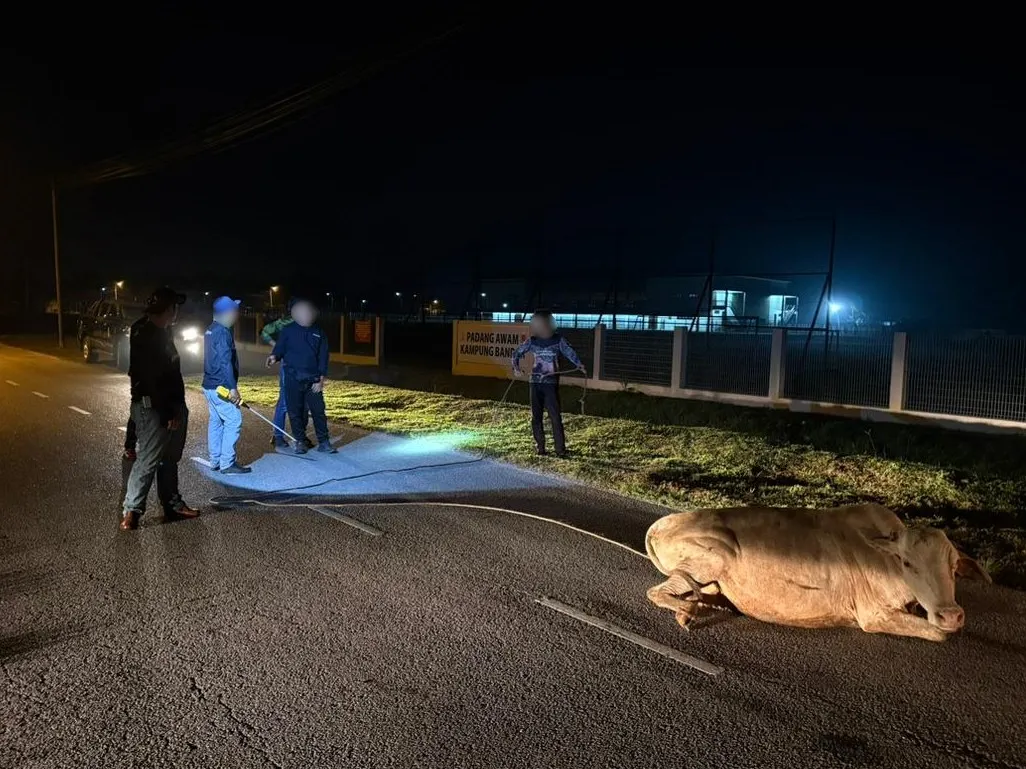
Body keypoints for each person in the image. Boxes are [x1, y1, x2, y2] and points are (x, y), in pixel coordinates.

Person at [120, 287, 200, 530]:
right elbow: (151, 378)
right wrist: (169, 413)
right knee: (149, 459)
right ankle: (132, 511)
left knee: (169, 459)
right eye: (174, 307)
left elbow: (171, 373)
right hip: (154, 408)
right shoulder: (146, 333)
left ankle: (172, 504)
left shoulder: (161, 330)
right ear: (167, 309)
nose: (177, 313)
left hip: (171, 405)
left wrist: (177, 407)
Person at [511, 310, 586, 457]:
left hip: (550, 384)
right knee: (536, 416)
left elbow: (570, 352)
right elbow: (516, 354)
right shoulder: (532, 341)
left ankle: (560, 450)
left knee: (555, 416)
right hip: (535, 382)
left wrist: (579, 364)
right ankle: (541, 448)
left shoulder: (558, 340)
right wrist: (516, 368)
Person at [266, 299, 336, 455]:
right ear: (295, 315)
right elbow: (279, 349)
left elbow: (323, 357)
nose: (306, 316)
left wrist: (321, 379)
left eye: (308, 312)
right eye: (302, 313)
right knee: (295, 411)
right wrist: (273, 357)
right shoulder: (288, 331)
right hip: (292, 378)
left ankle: (324, 442)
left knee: (318, 411)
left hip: (313, 380)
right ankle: (300, 441)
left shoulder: (319, 333)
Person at [202, 296, 251, 474]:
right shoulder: (222, 331)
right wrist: (232, 387)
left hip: (209, 385)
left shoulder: (210, 329)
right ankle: (227, 463)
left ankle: (215, 460)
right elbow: (225, 362)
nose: (236, 314)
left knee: (216, 421)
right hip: (220, 386)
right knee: (233, 420)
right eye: (234, 311)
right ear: (227, 313)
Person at [261, 300, 311, 449]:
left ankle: (300, 437)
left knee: (303, 402)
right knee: (284, 401)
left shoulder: (307, 323)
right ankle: (278, 436)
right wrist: (277, 347)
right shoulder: (285, 323)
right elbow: (264, 332)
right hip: (288, 365)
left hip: (305, 367)